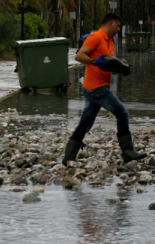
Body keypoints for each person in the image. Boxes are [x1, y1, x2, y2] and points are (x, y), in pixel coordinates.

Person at [62, 13, 147, 165]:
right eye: (118, 26)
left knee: (85, 123)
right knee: (122, 113)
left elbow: (110, 68)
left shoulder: (111, 42)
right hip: (97, 88)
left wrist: (121, 68)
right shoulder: (96, 37)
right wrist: (95, 62)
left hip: (98, 86)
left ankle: (68, 157)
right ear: (110, 24)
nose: (119, 29)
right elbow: (79, 56)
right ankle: (128, 151)